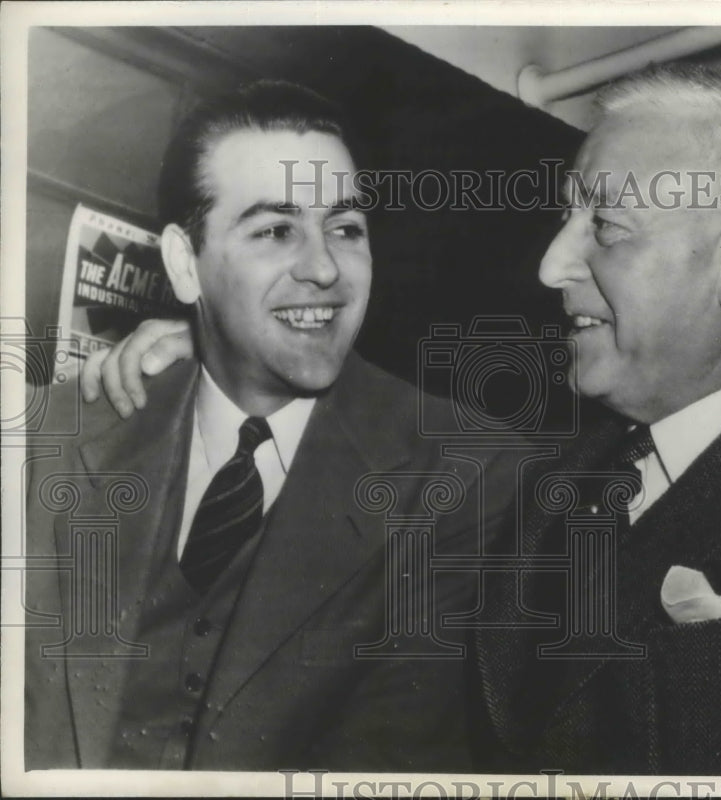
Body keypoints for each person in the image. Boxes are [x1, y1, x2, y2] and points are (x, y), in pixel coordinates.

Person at [81, 64, 721, 776]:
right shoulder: (551, 481)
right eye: (565, 221)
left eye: (606, 230)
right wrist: (215, 339)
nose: (552, 265)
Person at [24, 80, 511, 771]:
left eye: (345, 229)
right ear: (183, 264)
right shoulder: (49, 443)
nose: (323, 268)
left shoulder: (473, 478)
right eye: (275, 230)